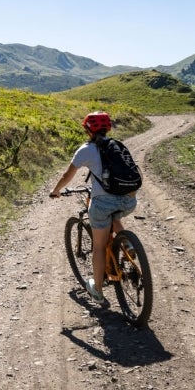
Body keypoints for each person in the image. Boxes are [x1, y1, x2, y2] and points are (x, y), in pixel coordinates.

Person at [49, 111, 138, 307]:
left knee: (98, 245)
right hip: (129, 200)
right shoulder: (117, 145)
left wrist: (56, 190)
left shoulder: (86, 150)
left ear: (88, 130)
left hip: (103, 204)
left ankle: (97, 292)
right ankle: (128, 245)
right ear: (108, 128)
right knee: (114, 217)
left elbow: (67, 175)